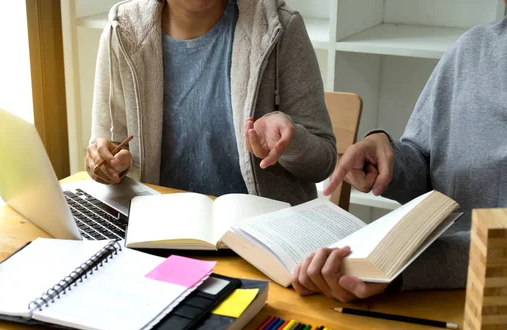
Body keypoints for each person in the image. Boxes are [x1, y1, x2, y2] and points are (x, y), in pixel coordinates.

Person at [291, 13, 507, 302]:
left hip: (477, 304)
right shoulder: (473, 49)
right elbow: (429, 164)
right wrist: (389, 160)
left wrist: (400, 271)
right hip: (417, 292)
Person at [85, 0, 337, 205]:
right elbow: (109, 151)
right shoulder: (123, 32)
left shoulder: (278, 27)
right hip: (158, 232)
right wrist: (106, 164)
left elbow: (322, 162)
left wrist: (289, 142)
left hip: (260, 237)